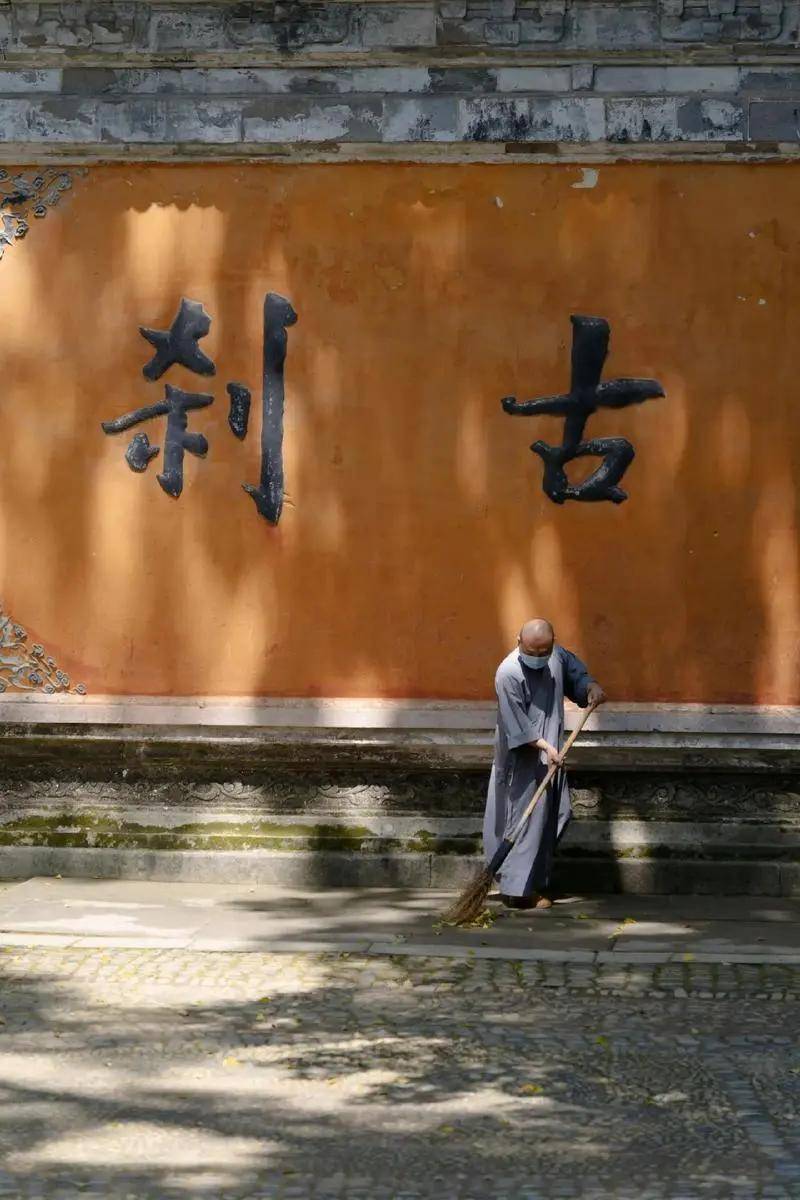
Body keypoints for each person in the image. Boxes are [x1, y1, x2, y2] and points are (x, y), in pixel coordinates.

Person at [483, 619, 605, 910]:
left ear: (552, 643)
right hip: (522, 758)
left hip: (552, 753)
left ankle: (535, 880)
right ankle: (519, 890)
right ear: (518, 641)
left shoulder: (557, 656)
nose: (538, 658)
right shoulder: (508, 673)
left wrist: (591, 687)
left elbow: (576, 675)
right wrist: (545, 747)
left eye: (543, 652)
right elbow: (518, 726)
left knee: (556, 814)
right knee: (522, 820)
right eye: (531, 652)